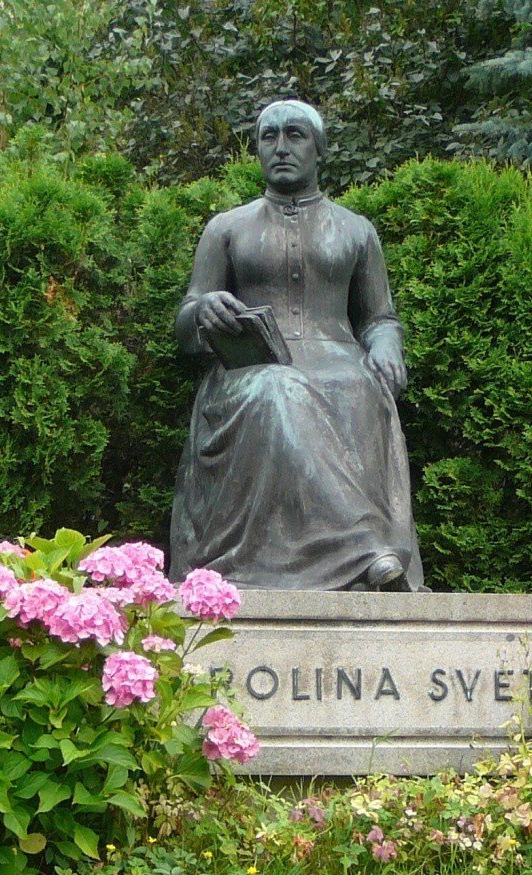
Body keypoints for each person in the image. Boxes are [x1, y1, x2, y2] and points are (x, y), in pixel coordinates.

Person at [169, 99, 424, 591]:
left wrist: (388, 344)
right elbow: (186, 323)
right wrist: (203, 312)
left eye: (295, 135)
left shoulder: (356, 230)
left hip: (342, 366)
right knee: (278, 389)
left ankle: (359, 553)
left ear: (319, 149)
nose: (281, 148)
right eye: (269, 137)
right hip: (249, 373)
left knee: (356, 389)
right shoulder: (226, 228)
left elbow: (379, 318)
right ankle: (368, 546)